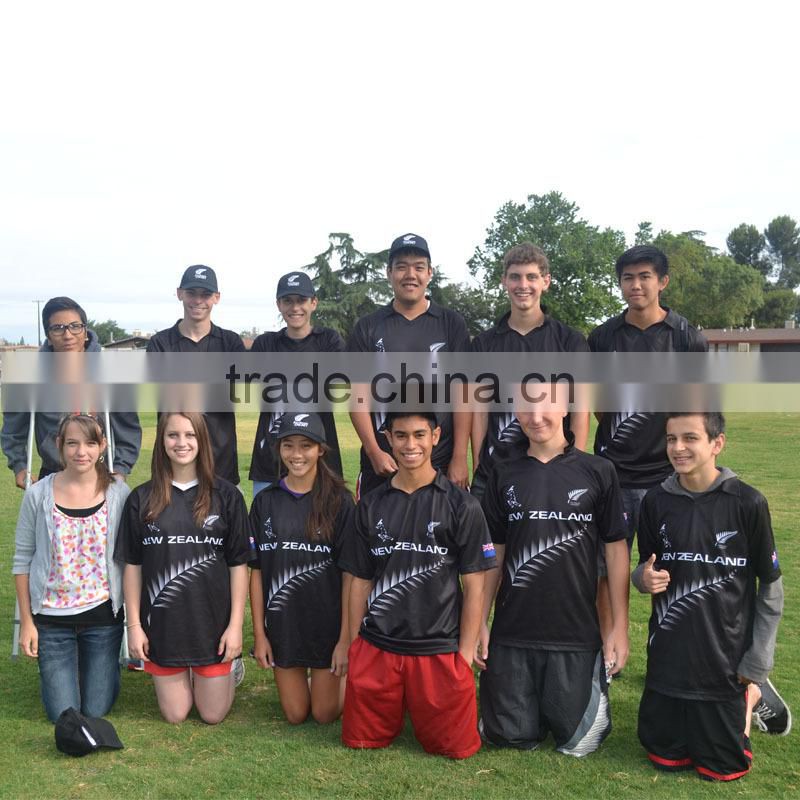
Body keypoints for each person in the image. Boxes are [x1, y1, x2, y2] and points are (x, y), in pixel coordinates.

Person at [633, 412, 786, 781]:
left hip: (724, 664)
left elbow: (770, 587)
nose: (678, 448)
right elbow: (643, 570)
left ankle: (751, 696)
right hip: (668, 661)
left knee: (722, 770)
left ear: (717, 443)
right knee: (664, 759)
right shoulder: (655, 500)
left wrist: (758, 660)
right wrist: (643, 579)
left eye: (690, 438)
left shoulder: (748, 502)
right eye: (671, 439)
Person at [339, 411, 496, 759]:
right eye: (401, 436)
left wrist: (464, 655)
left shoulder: (462, 505)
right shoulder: (371, 505)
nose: (410, 445)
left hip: (438, 650)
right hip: (378, 647)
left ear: (436, 436)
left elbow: (475, 585)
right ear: (388, 439)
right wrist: (354, 646)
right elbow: (359, 581)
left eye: (419, 435)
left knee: (455, 748)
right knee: (360, 741)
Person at [477, 400, 630, 756]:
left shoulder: (598, 471)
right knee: (507, 738)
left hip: (574, 637)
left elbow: (615, 550)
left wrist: (619, 628)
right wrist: (480, 621)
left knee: (579, 743)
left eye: (546, 405)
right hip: (513, 636)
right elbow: (494, 552)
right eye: (525, 408)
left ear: (564, 408)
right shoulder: (502, 472)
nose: (536, 417)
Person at [588, 246, 707, 644]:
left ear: (662, 282)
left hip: (667, 476)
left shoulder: (686, 337)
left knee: (668, 568)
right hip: (613, 475)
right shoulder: (603, 337)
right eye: (628, 278)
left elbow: (696, 406)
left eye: (644, 277)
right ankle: (608, 651)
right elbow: (600, 406)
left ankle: (667, 648)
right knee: (606, 570)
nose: (635, 285)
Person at [115, 412, 251, 724]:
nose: (181, 443)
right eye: (173, 435)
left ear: (202, 440)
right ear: (161, 441)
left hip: (212, 625)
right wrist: (134, 626)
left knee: (212, 714)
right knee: (175, 714)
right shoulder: (141, 498)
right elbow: (133, 566)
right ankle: (187, 671)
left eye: (190, 435)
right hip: (163, 626)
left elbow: (238, 565)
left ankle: (227, 667)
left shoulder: (227, 496)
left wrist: (235, 627)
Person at [13, 413, 130, 722]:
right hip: (52, 620)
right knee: (62, 714)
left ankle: (99, 667)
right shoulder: (38, 494)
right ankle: (67, 668)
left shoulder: (118, 494)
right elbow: (23, 559)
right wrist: (27, 623)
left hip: (102, 619)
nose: (81, 452)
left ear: (102, 446)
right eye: (72, 443)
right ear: (59, 445)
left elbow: (131, 559)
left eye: (90, 443)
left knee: (95, 709)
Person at [346, 234, 471, 498]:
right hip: (383, 465)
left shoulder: (451, 324)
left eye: (418, 267)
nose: (410, 275)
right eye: (401, 267)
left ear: (429, 273)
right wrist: (373, 451)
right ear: (389, 273)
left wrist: (460, 457)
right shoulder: (368, 327)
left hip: (440, 462)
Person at [249, 412, 354, 723]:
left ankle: (346, 679)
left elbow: (350, 576)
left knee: (324, 714)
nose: (296, 454)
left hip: (326, 627)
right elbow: (256, 571)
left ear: (321, 449)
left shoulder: (340, 501)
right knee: (295, 715)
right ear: (279, 449)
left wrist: (345, 640)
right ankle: (312, 684)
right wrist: (260, 635)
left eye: (306, 445)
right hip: (284, 626)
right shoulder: (265, 502)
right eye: (288, 445)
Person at [470, 242, 589, 500]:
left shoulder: (570, 342)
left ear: (546, 281)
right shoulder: (483, 344)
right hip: (494, 475)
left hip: (552, 474)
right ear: (504, 281)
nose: (523, 285)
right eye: (515, 277)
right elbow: (479, 412)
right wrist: (479, 465)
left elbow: (580, 412)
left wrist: (574, 469)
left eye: (531, 277)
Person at [2, 296, 142, 489]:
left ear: (85, 331)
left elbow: (128, 428)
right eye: (58, 328)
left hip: (101, 474)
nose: (67, 335)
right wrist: (20, 466)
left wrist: (121, 468)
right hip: (53, 474)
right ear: (48, 336)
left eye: (75, 326)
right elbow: (13, 430)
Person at [249, 272, 346, 498]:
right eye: (288, 301)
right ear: (279, 304)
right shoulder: (265, 344)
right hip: (271, 458)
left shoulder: (329, 341)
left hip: (320, 457)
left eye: (301, 300)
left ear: (313, 303)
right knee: (266, 518)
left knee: (325, 519)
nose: (295, 308)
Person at [146, 266, 245, 486]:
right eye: (191, 293)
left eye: (205, 294)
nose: (198, 300)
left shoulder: (231, 343)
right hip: (173, 465)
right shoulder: (160, 344)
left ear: (216, 297)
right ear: (179, 293)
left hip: (222, 465)